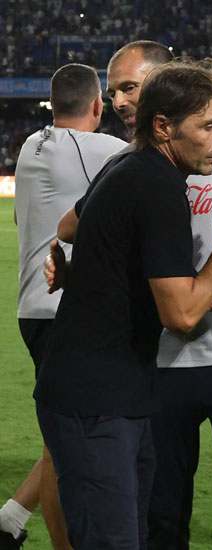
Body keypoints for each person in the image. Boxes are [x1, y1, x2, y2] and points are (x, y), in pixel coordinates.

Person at [54, 42, 212, 549]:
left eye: (131, 88)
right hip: (153, 368)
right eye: (116, 91)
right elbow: (74, 229)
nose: (122, 101)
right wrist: (81, 260)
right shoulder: (143, 172)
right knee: (160, 517)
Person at [2, 63, 126, 550]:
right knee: (71, 442)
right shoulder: (106, 150)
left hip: (35, 307)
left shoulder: (31, 146)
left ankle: (11, 519)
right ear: (99, 106)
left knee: (64, 432)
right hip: (65, 309)